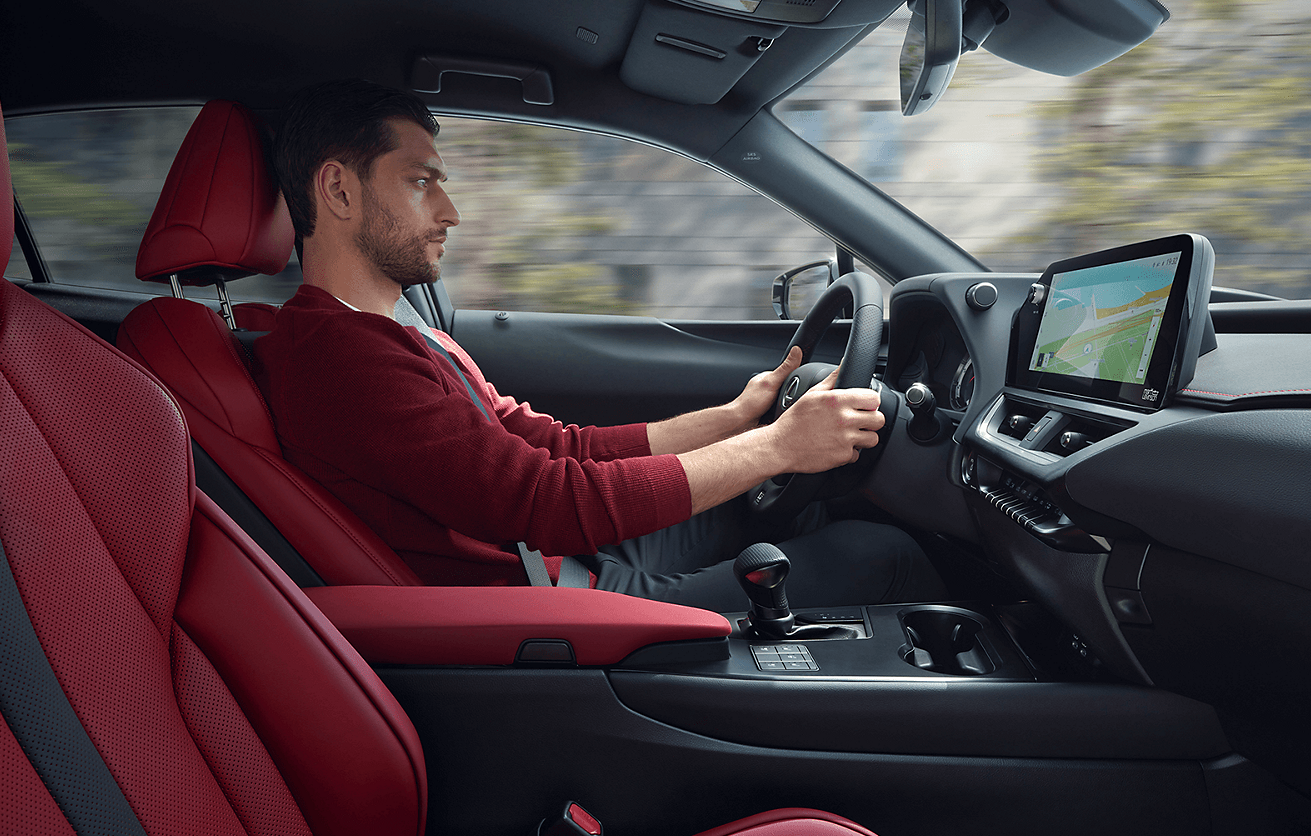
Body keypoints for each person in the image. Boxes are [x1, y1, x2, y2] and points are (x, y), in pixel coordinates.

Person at [254, 79, 944, 611]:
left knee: (811, 501)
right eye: (420, 182)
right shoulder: (341, 360)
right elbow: (547, 501)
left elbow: (559, 448)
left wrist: (738, 418)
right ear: (339, 190)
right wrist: (777, 446)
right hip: (551, 608)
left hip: (557, 560)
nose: (450, 212)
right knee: (877, 553)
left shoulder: (398, 331)